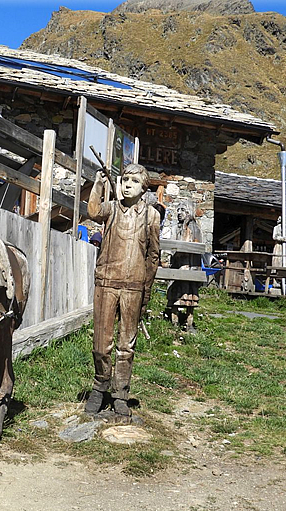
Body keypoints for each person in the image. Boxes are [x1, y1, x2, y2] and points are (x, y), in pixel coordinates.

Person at [85, 164, 160, 419]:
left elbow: (153, 256)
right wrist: (98, 185)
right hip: (106, 283)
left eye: (134, 181)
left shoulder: (151, 216)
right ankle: (99, 387)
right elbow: (93, 211)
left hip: (134, 287)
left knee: (126, 345)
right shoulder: (113, 209)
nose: (128, 185)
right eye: (125, 180)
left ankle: (120, 394)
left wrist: (146, 291)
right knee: (101, 344)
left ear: (143, 188)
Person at [165, 200, 202, 330]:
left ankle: (189, 321)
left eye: (182, 210)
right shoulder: (176, 227)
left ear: (189, 212)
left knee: (189, 295)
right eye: (178, 210)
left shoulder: (195, 228)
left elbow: (194, 247)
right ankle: (173, 320)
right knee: (175, 293)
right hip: (177, 265)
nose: (179, 213)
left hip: (189, 265)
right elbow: (172, 245)